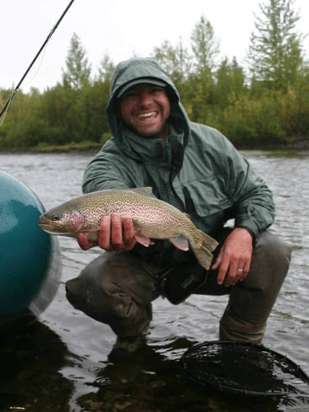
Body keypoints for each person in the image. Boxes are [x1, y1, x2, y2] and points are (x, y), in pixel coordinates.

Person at [65, 58, 292, 358]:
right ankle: (133, 334)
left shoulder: (211, 143)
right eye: (132, 95)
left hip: (206, 258)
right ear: (117, 108)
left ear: (169, 97)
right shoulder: (105, 165)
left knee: (272, 250)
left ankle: (242, 346)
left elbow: (257, 193)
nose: (145, 102)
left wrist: (244, 231)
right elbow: (103, 198)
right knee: (90, 287)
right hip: (141, 263)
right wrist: (110, 230)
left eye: (154, 91)